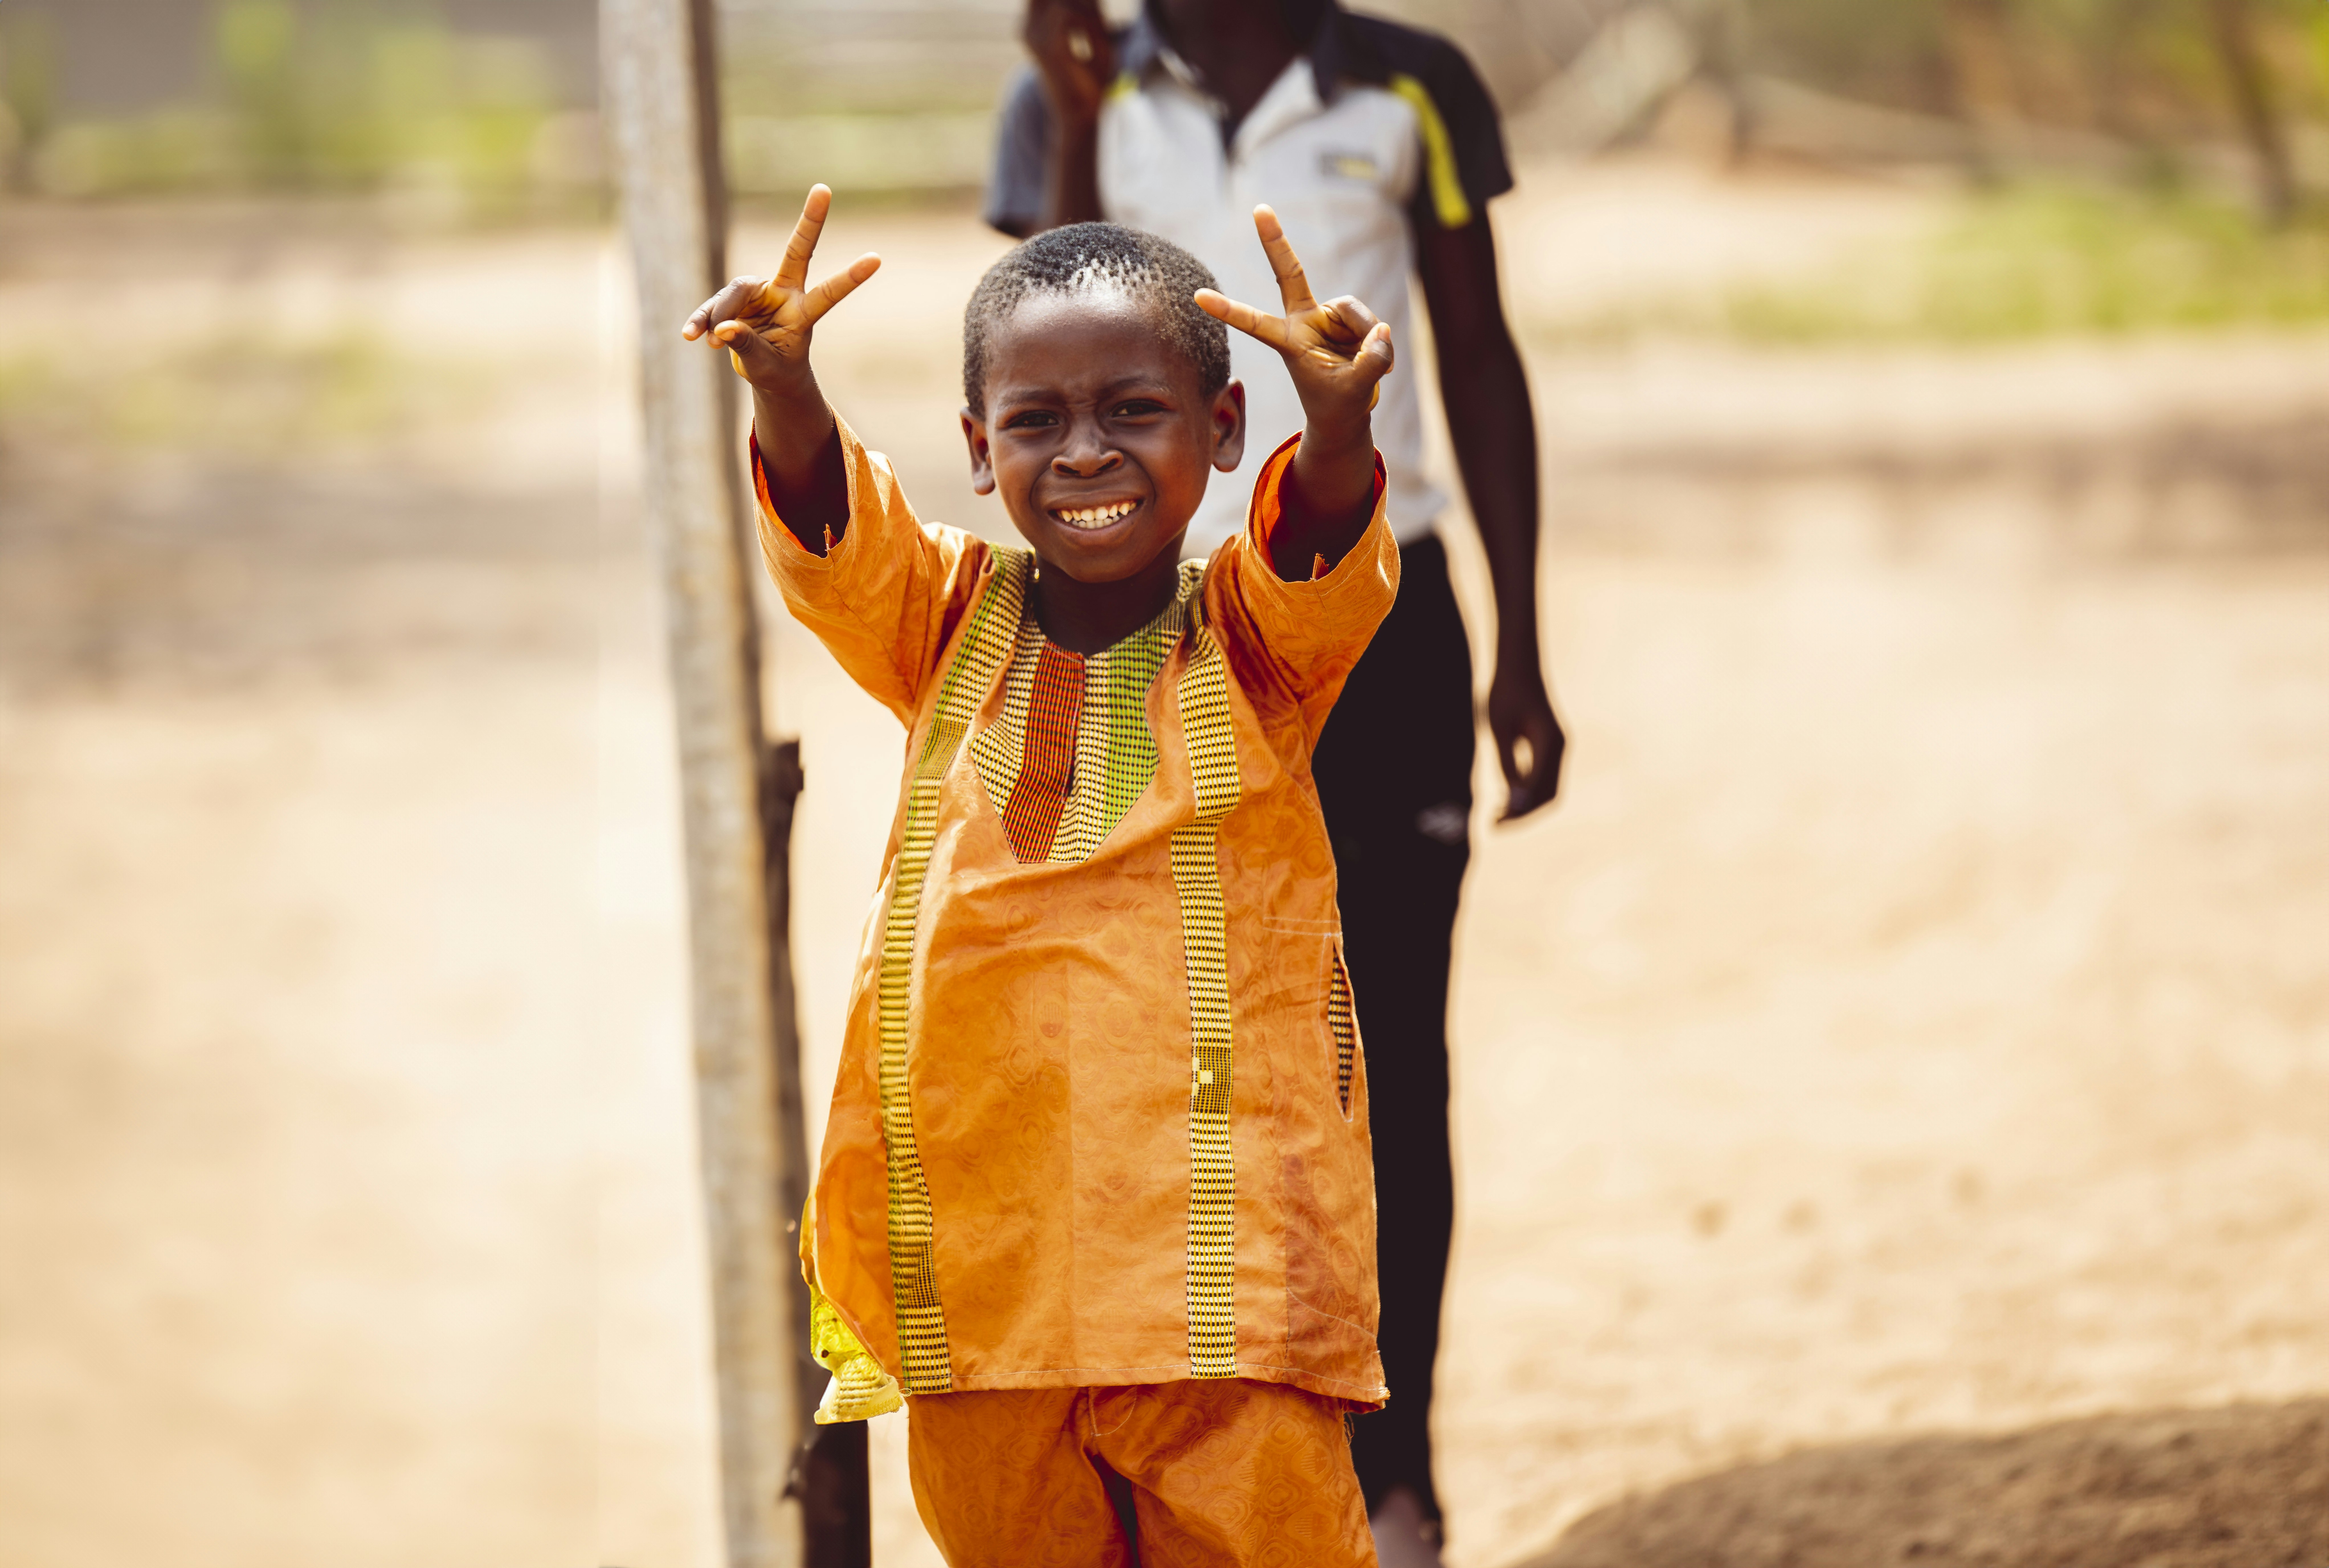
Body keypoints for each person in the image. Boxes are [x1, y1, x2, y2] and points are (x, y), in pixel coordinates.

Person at [685, 184, 1403, 1565]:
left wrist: (1342, 426)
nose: (1085, 454)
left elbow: (1318, 550)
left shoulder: (1254, 645)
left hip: (1226, 1283)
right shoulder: (944, 621)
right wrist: (784, 387)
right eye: (1035, 422)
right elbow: (841, 545)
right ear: (976, 448)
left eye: (1133, 411)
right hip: (985, 1276)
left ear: (1223, 431)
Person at [988, 2, 1567, 1560]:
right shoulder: (1069, 89)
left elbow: (1479, 353)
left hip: (1384, 610)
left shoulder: (1409, 84)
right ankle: (1179, 1477)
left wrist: (1517, 643)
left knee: (1383, 1056)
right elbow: (1034, 340)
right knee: (1156, 1054)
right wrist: (1076, 108)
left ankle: (1398, 1480)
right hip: (1157, 632)